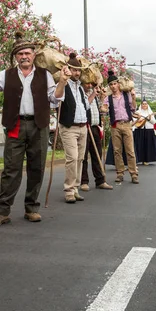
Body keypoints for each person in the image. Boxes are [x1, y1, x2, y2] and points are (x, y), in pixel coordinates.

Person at [0, 31, 66, 226]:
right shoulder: (6, 75)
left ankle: (32, 208)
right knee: (11, 169)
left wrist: (62, 82)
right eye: (20, 54)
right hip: (16, 125)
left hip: (39, 125)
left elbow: (54, 99)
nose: (24, 57)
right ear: (15, 57)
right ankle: (1, 211)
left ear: (33, 55)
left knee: (36, 167)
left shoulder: (45, 75)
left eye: (27, 53)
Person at [57, 53, 94, 203]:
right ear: (67, 70)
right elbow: (55, 99)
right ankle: (69, 190)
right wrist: (61, 81)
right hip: (69, 127)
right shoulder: (63, 85)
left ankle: (76, 188)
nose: (77, 73)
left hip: (82, 126)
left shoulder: (80, 88)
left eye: (78, 70)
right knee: (72, 158)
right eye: (73, 70)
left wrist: (94, 96)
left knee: (80, 158)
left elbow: (85, 106)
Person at [101, 70, 139, 184]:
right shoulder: (108, 98)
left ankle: (133, 173)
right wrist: (103, 108)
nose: (113, 86)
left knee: (130, 151)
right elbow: (104, 109)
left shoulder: (126, 95)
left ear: (118, 84)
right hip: (115, 125)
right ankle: (120, 173)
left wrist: (133, 97)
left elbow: (133, 108)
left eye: (114, 84)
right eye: (111, 85)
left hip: (127, 124)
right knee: (117, 151)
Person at [80, 81, 113, 191]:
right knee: (83, 156)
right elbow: (84, 106)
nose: (89, 86)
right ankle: (83, 181)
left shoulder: (94, 94)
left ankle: (100, 181)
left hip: (95, 127)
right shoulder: (80, 92)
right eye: (87, 84)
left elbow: (100, 109)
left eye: (91, 84)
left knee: (97, 154)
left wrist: (102, 99)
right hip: (85, 126)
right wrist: (94, 94)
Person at [133, 99, 156, 166]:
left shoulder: (150, 112)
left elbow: (153, 122)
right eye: (143, 104)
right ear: (141, 105)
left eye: (146, 104)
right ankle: (138, 159)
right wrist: (140, 119)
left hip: (148, 130)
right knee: (139, 145)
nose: (144, 105)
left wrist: (149, 119)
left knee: (148, 145)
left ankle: (147, 159)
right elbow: (135, 120)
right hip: (139, 130)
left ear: (147, 105)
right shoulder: (137, 112)